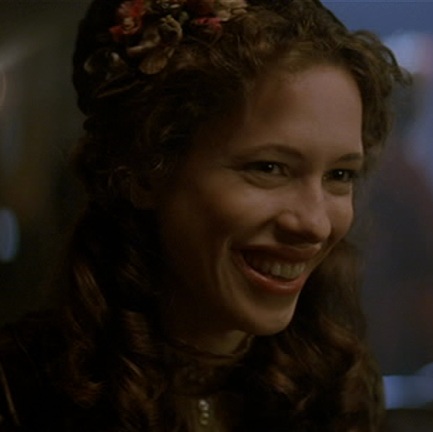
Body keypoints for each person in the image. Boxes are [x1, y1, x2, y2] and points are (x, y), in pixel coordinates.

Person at [0, 0, 406, 431]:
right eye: (268, 168)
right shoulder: (19, 393)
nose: (315, 224)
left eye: (340, 175)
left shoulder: (336, 389)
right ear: (146, 171)